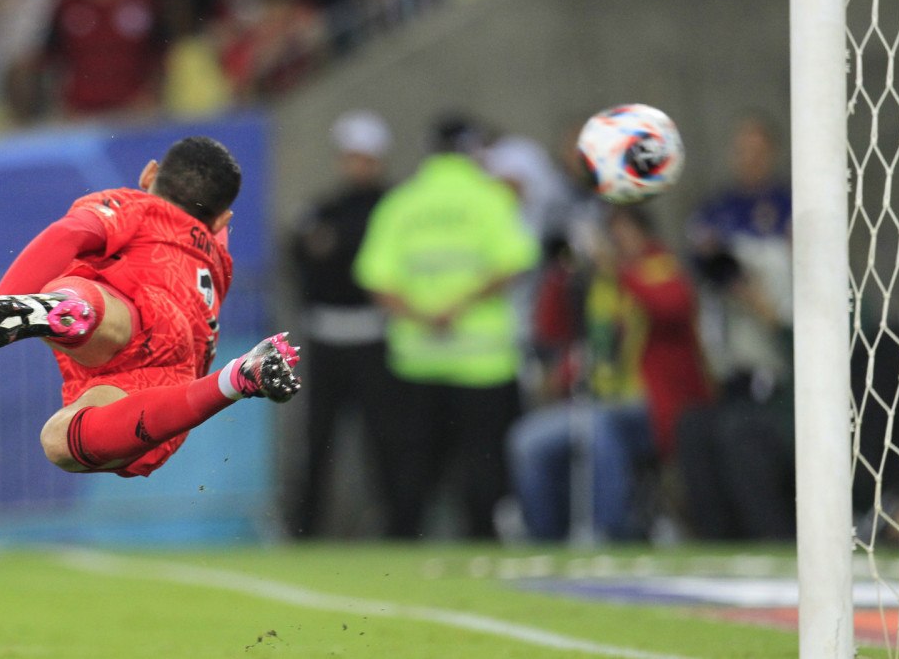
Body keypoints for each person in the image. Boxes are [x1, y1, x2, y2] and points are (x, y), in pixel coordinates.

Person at [0, 137, 302, 481]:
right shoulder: (218, 257)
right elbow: (210, 221)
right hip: (171, 383)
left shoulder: (138, 206)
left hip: (130, 322)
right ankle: (234, 379)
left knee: (77, 286)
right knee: (57, 440)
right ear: (223, 220)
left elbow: (66, 234)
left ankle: (65, 311)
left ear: (149, 175)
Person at [352, 115, 540, 538]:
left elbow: (375, 278)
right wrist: (460, 306)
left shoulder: (402, 203)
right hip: (483, 365)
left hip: (416, 362)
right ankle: (483, 547)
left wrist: (423, 315)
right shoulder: (492, 198)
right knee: (484, 471)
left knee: (413, 475)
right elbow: (516, 263)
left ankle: (402, 554)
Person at [508, 205, 714, 542]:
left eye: (624, 234)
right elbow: (574, 337)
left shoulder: (662, 269)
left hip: (654, 406)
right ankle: (543, 538)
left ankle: (608, 530)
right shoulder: (600, 282)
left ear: (643, 235)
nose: (616, 243)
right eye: (612, 236)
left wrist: (619, 270)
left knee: (597, 427)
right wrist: (562, 275)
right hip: (603, 401)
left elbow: (670, 308)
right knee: (527, 440)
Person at [676, 113, 795, 540]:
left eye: (755, 151)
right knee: (694, 428)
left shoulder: (789, 207)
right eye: (741, 150)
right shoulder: (716, 210)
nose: (747, 159)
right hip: (732, 359)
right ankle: (716, 540)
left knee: (739, 433)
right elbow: (701, 274)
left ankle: (773, 537)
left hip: (781, 371)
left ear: (772, 153)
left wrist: (761, 301)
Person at [286, 110, 393, 537]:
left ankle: (396, 528)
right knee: (318, 440)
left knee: (384, 440)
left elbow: (353, 255)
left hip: (375, 335)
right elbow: (301, 254)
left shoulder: (390, 207)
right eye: (349, 157)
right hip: (326, 336)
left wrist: (336, 245)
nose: (355, 166)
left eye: (362, 158)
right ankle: (305, 530)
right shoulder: (324, 207)